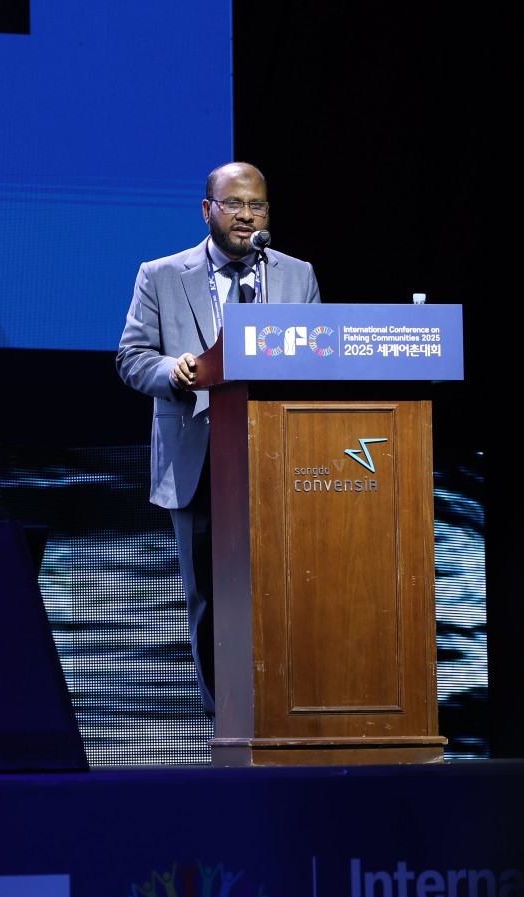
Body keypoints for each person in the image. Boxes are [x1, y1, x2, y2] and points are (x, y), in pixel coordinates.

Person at [114, 161, 321, 718]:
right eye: (234, 204)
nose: (246, 216)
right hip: (198, 457)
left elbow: (318, 357)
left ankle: (284, 714)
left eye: (257, 206)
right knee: (208, 595)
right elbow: (132, 357)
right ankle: (223, 720)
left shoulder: (296, 275)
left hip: (281, 458)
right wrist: (173, 371)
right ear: (208, 210)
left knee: (284, 589)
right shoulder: (161, 275)